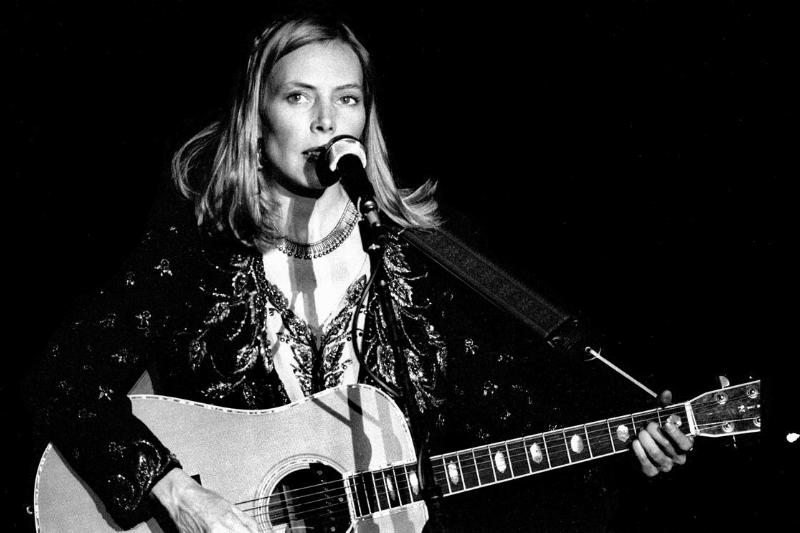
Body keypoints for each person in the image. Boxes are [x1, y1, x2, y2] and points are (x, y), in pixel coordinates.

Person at [27, 12, 693, 533]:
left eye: (347, 99)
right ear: (257, 122)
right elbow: (64, 381)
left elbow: (516, 409)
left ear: (365, 118)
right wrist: (179, 491)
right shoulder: (197, 249)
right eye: (298, 97)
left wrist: (632, 429)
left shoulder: (425, 260)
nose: (325, 120)